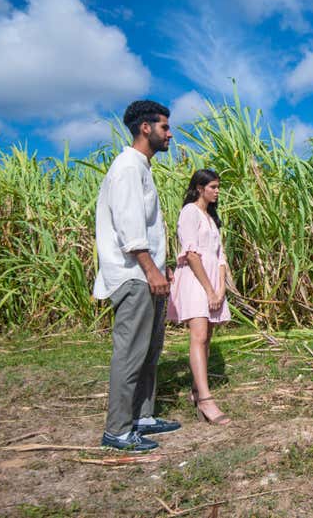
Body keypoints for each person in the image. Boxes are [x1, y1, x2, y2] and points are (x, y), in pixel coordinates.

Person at [94, 100, 180, 451]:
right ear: (146, 128)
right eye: (165, 127)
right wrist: (149, 269)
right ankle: (117, 429)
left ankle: (142, 415)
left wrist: (160, 267)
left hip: (147, 274)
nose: (169, 134)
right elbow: (130, 229)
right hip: (134, 276)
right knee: (130, 352)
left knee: (149, 350)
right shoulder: (128, 167)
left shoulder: (141, 167)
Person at [167, 169, 232, 425]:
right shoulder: (190, 213)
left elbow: (220, 255)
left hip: (213, 282)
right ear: (199, 188)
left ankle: (197, 389)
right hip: (196, 281)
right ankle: (205, 399)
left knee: (208, 337)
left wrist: (221, 288)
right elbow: (192, 254)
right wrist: (208, 289)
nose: (217, 191)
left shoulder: (211, 218)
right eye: (213, 187)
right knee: (199, 335)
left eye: (218, 187)